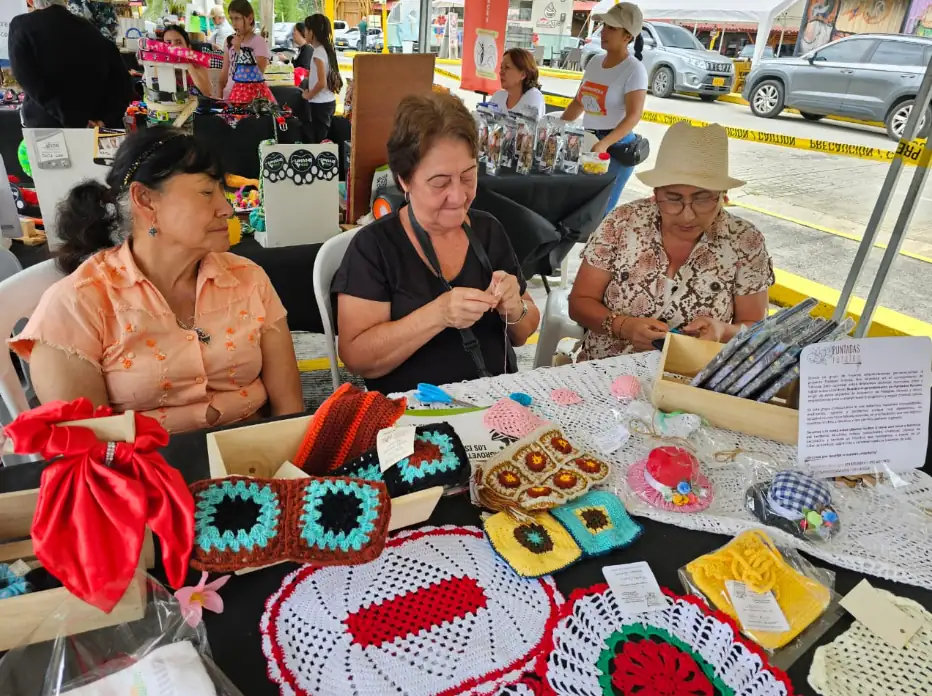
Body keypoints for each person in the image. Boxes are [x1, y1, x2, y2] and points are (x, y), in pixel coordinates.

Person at [9, 128, 304, 434]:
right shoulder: (77, 306)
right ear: (145, 200)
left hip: (255, 462)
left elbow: (289, 412)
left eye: (222, 191)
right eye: (207, 192)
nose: (227, 208)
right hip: (143, 474)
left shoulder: (247, 279)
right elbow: (92, 449)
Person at [332, 92, 540, 393]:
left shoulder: (488, 230)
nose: (458, 197)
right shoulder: (374, 248)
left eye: (468, 177)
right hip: (412, 413)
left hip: (496, 401)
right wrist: (438, 314)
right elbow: (356, 358)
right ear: (404, 180)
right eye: (440, 183)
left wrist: (514, 306)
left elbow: (524, 330)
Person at [568, 121, 774, 361]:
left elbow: (757, 329)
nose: (687, 215)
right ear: (655, 195)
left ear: (723, 197)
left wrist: (723, 331)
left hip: (690, 374)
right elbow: (580, 303)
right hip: (603, 369)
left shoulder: (744, 241)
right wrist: (623, 326)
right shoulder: (623, 222)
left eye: (703, 199)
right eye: (673, 199)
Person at [561, 3, 647, 214]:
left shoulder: (634, 69)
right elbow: (578, 103)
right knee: (576, 207)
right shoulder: (594, 63)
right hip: (588, 141)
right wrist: (556, 128)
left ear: (627, 36)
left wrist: (604, 144)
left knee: (600, 212)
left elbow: (634, 115)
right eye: (604, 26)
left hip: (615, 147)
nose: (604, 32)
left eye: (612, 28)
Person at [9, 0, 136, 128]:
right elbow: (123, 85)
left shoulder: (22, 26)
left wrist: (71, 118)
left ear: (30, 2)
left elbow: (26, 77)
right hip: (92, 125)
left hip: (46, 126)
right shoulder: (91, 29)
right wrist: (105, 120)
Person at [219, 0, 272, 103]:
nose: (234, 23)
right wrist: (220, 95)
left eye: (237, 18)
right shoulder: (229, 41)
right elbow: (225, 72)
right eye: (231, 19)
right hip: (229, 95)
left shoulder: (259, 42)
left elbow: (258, 73)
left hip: (248, 98)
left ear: (250, 18)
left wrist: (239, 51)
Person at [301, 14, 342, 143]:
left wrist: (309, 95)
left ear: (312, 32)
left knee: (319, 143)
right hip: (328, 102)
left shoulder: (318, 52)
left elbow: (322, 82)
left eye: (306, 30)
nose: (305, 33)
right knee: (325, 141)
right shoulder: (327, 50)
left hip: (319, 105)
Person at [489, 48, 545, 119]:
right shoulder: (498, 96)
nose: (501, 72)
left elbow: (525, 128)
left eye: (507, 67)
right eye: (501, 67)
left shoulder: (533, 97)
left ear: (523, 74)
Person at [162, 25, 214, 97]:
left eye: (178, 42)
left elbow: (206, 94)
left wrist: (189, 66)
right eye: (168, 43)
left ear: (188, 47)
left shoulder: (198, 66)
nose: (173, 47)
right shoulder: (159, 66)